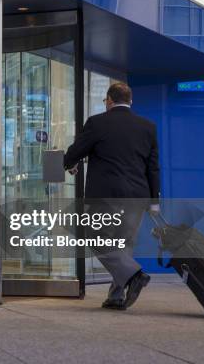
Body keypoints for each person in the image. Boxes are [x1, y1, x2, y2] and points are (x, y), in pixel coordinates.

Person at [64, 82, 160, 310]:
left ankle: (134, 275)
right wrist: (154, 201)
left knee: (90, 234)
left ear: (109, 99)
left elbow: (77, 150)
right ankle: (116, 296)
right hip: (138, 195)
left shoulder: (98, 122)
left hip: (105, 195)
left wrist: (70, 163)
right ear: (131, 101)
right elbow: (153, 167)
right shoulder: (148, 127)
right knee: (123, 243)